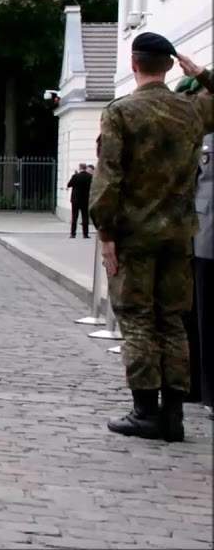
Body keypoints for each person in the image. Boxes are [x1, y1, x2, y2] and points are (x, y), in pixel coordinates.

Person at [89, 34, 214, 442]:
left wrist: (105, 233)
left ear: (133, 62)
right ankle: (174, 414)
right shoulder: (191, 110)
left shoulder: (122, 112)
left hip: (134, 235)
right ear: (170, 65)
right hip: (179, 234)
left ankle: (145, 411)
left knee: (139, 320)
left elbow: (108, 178)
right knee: (172, 320)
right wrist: (203, 75)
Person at [177, 73, 213, 416]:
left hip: (207, 236)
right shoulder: (194, 136)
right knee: (190, 315)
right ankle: (192, 385)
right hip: (191, 234)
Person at [67, 163, 93, 239]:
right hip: (85, 199)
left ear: (80, 168)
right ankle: (85, 234)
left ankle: (73, 234)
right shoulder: (90, 177)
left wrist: (75, 176)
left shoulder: (75, 176)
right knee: (85, 216)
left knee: (74, 216)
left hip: (76, 199)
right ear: (85, 168)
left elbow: (69, 184)